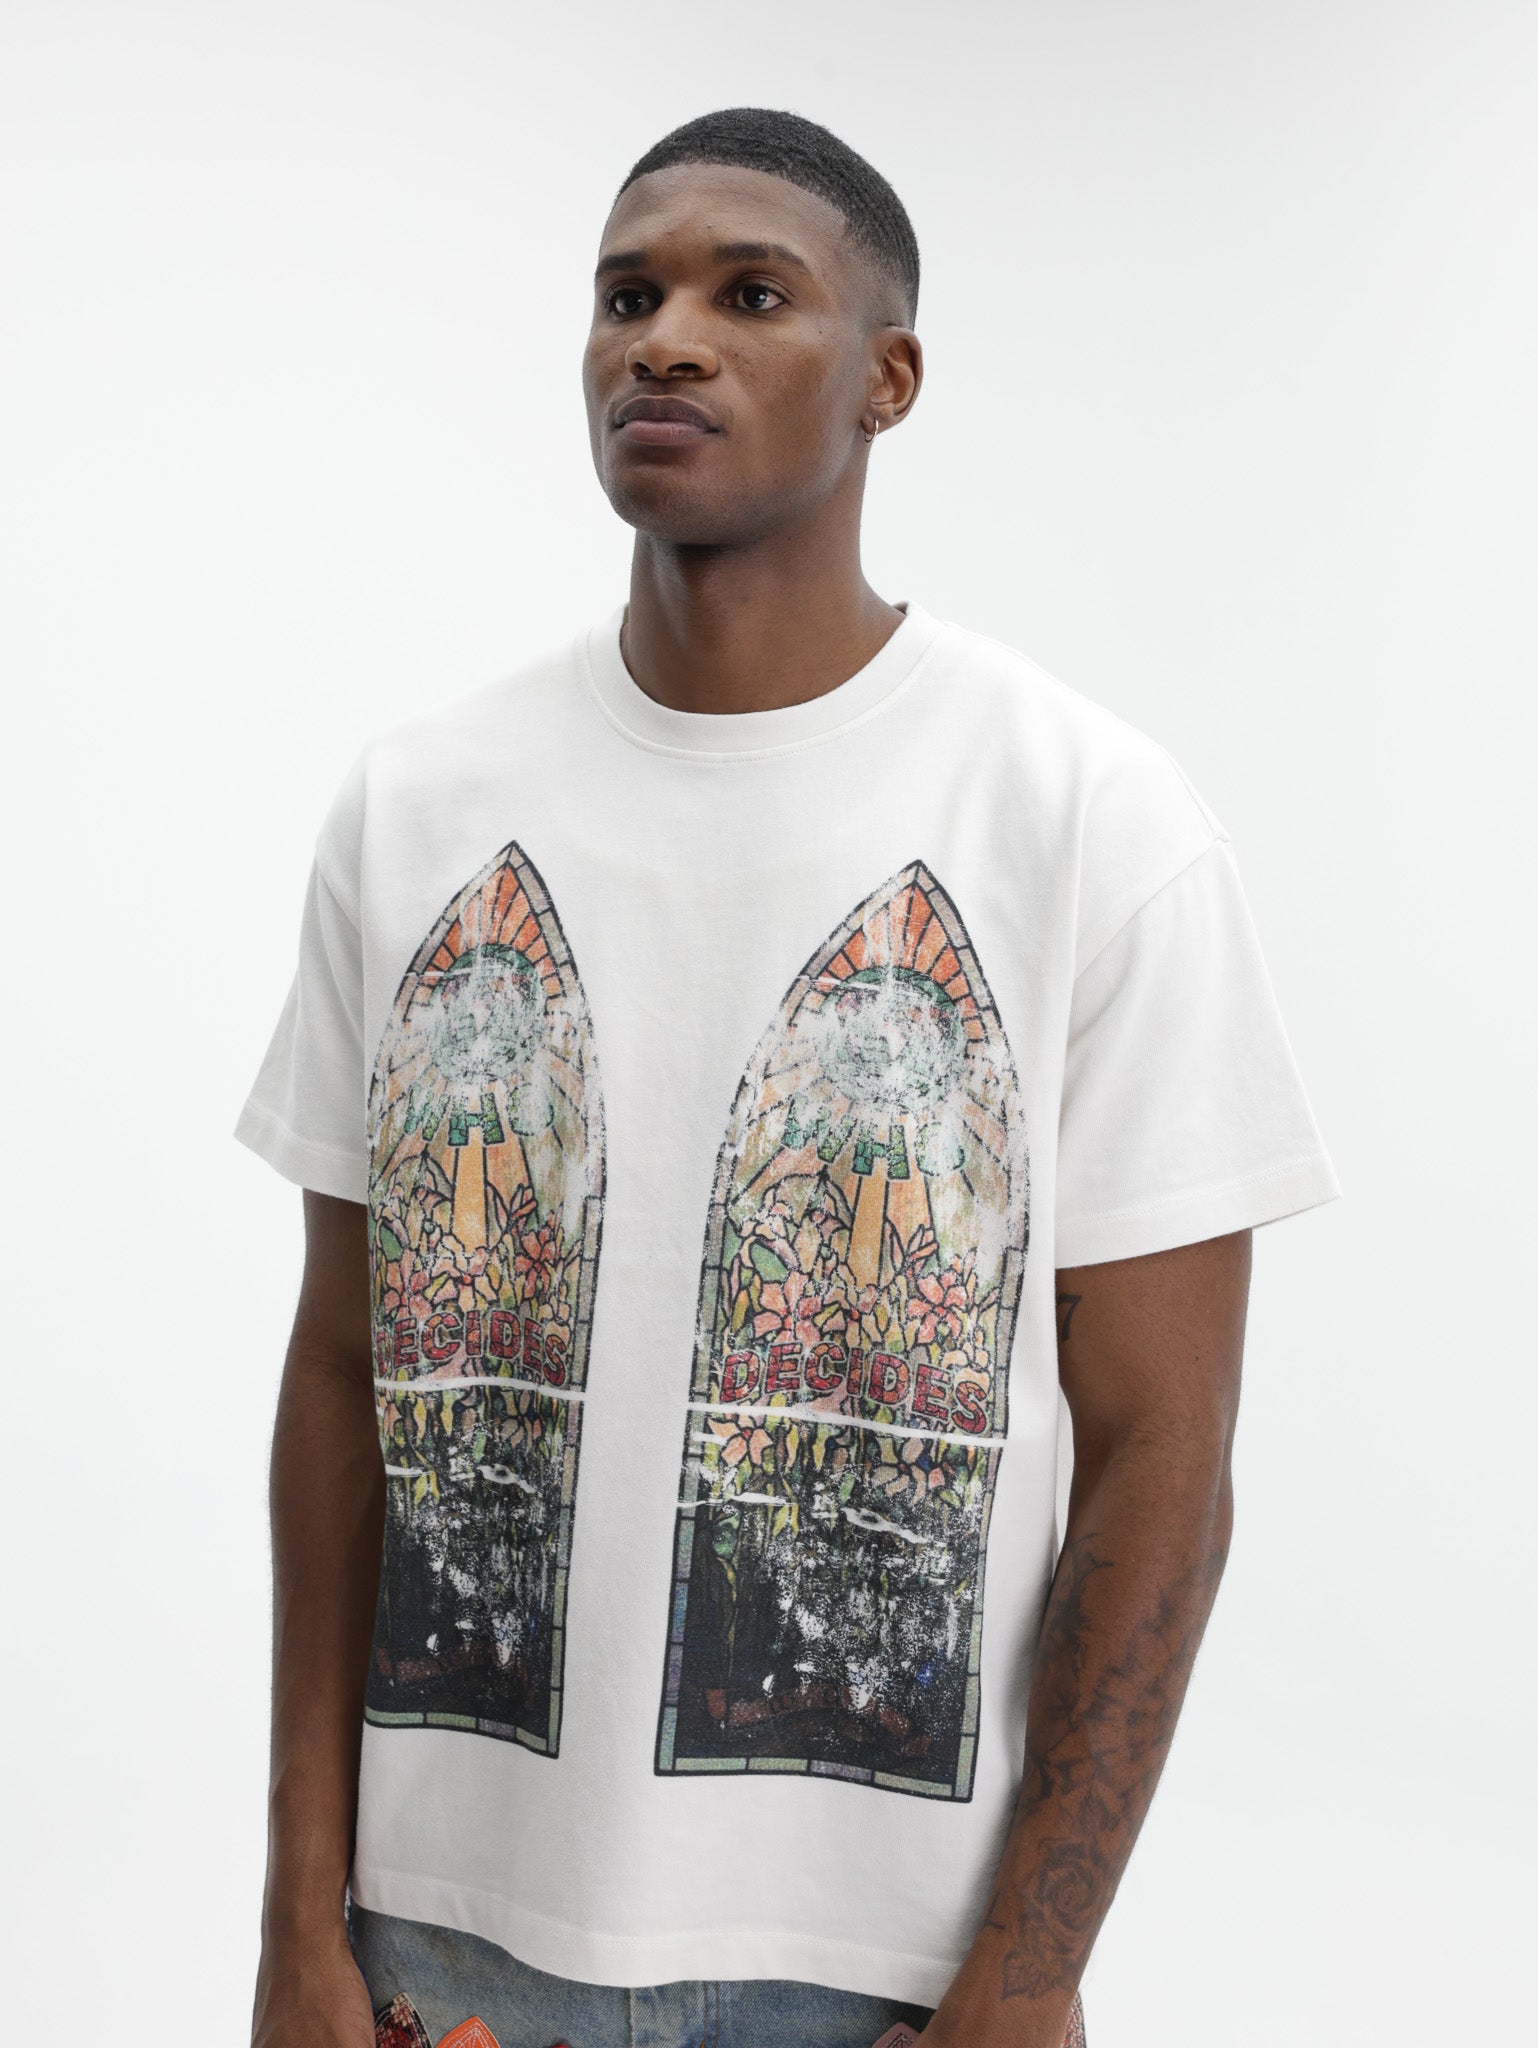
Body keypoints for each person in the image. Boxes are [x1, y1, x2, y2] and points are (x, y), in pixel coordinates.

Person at [237, 107, 1338, 2048]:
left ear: (887, 378)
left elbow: (1160, 1454)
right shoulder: (417, 808)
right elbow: (344, 1372)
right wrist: (295, 1920)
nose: (664, 340)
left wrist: (1030, 1975)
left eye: (751, 296)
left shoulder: (1083, 818)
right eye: (625, 296)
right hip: (446, 1947)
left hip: (875, 1976)